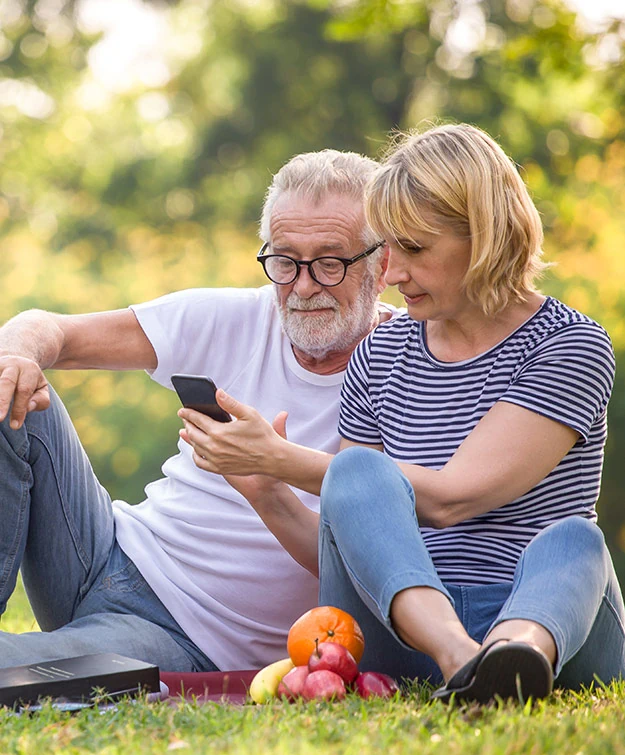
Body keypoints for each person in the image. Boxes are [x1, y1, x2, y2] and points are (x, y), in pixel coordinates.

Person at [219, 123, 625, 703]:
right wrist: (267, 488)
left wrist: (286, 460)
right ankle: (464, 662)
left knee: (574, 541)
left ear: (485, 236)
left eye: (412, 248)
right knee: (355, 476)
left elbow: (452, 496)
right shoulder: (380, 354)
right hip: (408, 634)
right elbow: (357, 547)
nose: (391, 273)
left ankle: (515, 659)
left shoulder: (567, 346)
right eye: (386, 248)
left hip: (552, 625)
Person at [0, 148, 397, 672]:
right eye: (284, 261)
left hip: (183, 637)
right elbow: (48, 328)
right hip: (102, 552)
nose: (302, 286)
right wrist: (17, 354)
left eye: (329, 262)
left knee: (18, 668)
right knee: (9, 385)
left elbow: (363, 568)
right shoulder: (235, 316)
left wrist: (267, 478)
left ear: (382, 264)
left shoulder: (408, 372)